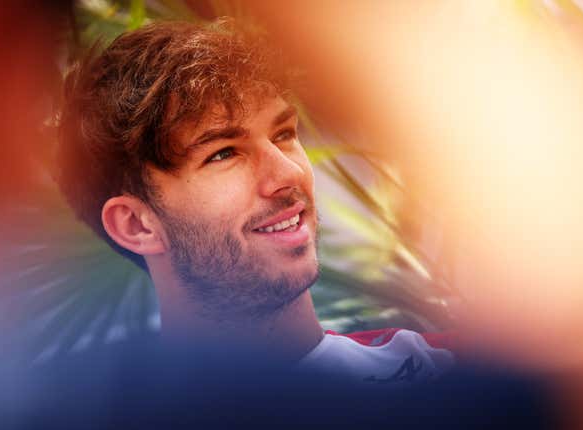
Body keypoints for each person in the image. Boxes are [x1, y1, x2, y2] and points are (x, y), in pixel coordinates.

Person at [57, 20, 453, 385]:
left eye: (283, 134)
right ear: (136, 225)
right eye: (224, 153)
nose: (288, 174)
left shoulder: (447, 377)